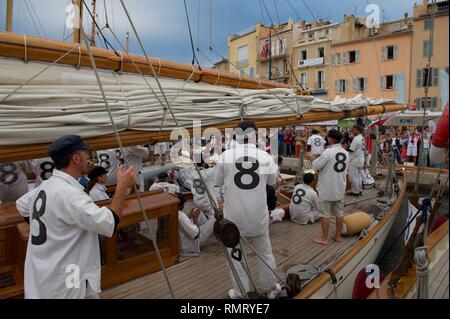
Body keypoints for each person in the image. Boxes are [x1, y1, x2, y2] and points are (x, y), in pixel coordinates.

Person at [15, 135, 136, 298]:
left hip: (44, 273)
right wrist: (122, 187)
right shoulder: (69, 194)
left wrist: (52, 230)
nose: (89, 159)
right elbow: (109, 224)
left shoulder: (47, 186)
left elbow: (22, 206)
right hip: (65, 282)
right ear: (76, 158)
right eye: (86, 154)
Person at [215, 120, 281, 299]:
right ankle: (270, 289)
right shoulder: (265, 157)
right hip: (258, 216)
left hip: (234, 218)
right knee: (266, 254)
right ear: (256, 134)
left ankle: (240, 292)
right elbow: (271, 183)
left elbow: (218, 182)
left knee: (236, 258)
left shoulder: (225, 156)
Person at [310, 129, 349, 245]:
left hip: (326, 188)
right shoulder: (345, 152)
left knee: (324, 214)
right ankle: (338, 236)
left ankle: (324, 238)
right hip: (340, 187)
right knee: (339, 213)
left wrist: (313, 157)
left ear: (331, 138)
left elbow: (316, 166)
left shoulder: (328, 152)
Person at [348, 125, 365, 196]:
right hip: (360, 159)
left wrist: (345, 147)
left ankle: (355, 191)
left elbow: (351, 149)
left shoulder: (356, 139)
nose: (352, 130)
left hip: (354, 160)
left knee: (353, 177)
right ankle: (359, 190)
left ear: (358, 131)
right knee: (358, 176)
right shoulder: (362, 138)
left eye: (354, 129)